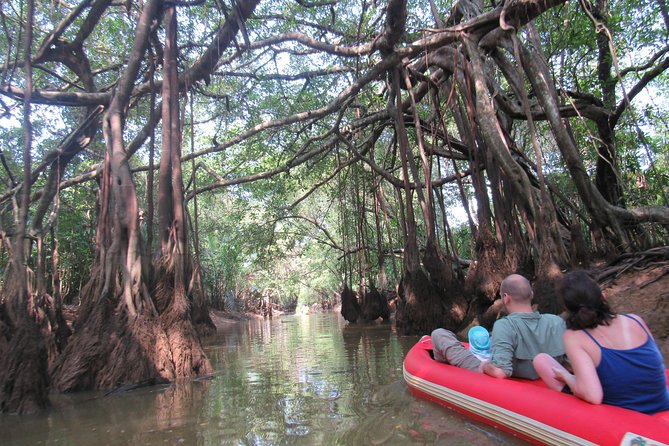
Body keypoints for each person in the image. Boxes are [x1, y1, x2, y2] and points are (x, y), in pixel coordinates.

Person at [533, 271, 669, 414]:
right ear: (603, 297)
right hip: (663, 404)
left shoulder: (574, 337)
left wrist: (567, 377)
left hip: (628, 416)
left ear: (567, 309)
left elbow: (593, 396)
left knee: (541, 361)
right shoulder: (635, 320)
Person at [431, 273, 567, 379]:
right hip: (544, 374)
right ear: (531, 294)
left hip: (498, 375)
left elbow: (500, 372)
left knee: (438, 334)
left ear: (506, 298)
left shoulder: (504, 325)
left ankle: (441, 370)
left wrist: (485, 366)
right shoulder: (556, 321)